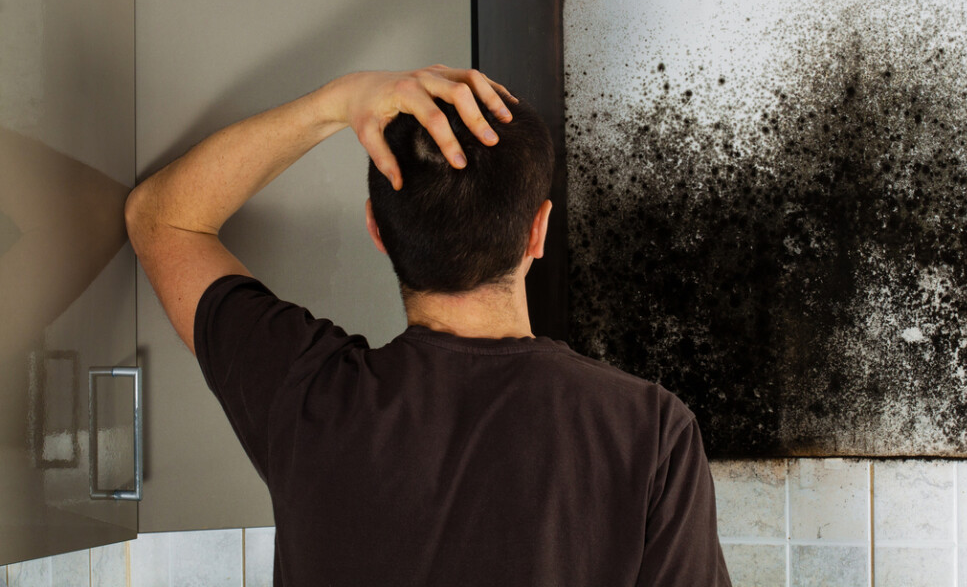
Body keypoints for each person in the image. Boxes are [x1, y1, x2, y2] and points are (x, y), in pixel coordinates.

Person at [125, 66, 731, 586]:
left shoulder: (306, 397)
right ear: (538, 232)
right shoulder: (649, 434)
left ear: (377, 232)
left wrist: (339, 101)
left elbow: (161, 220)